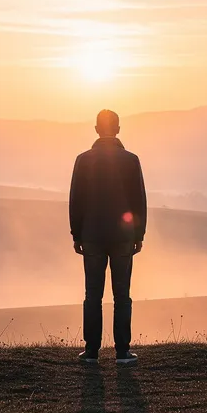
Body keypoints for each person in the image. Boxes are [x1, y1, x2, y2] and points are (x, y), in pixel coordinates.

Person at [69, 109, 146, 365]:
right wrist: (139, 233)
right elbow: (139, 200)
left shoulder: (83, 159)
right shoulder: (131, 159)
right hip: (123, 236)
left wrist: (76, 233)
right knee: (122, 294)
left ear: (95, 129)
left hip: (91, 235)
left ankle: (91, 351)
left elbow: (75, 200)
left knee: (93, 294)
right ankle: (123, 351)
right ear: (119, 129)